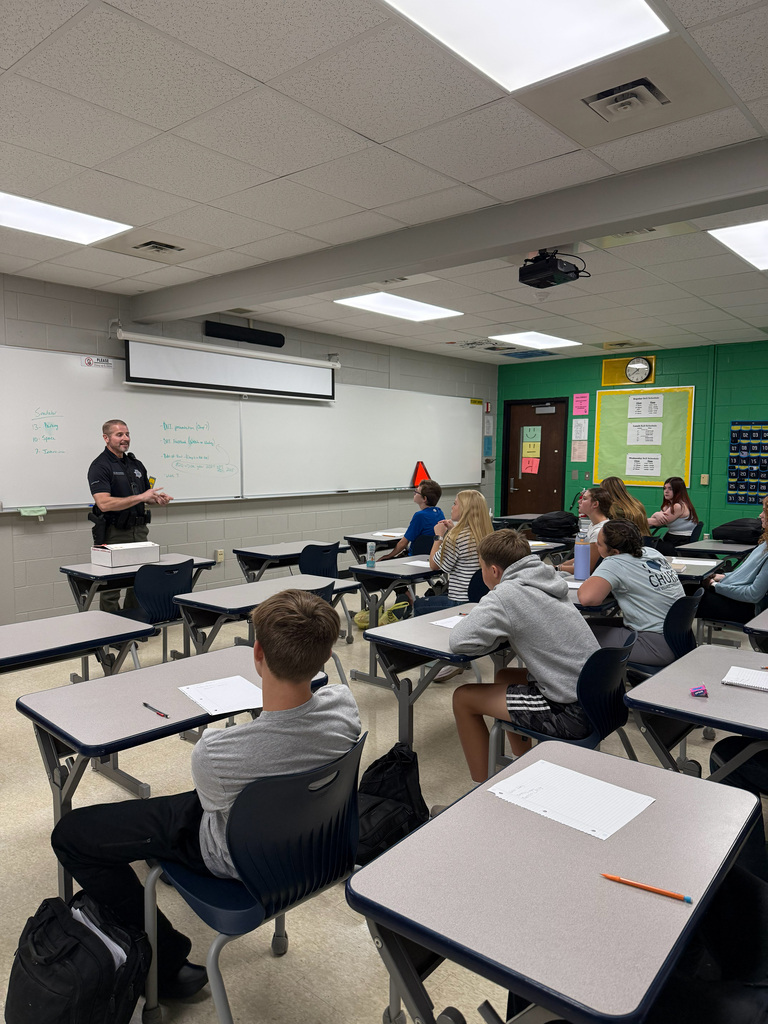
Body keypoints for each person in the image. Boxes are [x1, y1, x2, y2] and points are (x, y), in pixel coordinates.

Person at [51, 590, 361, 1001]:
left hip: (236, 858)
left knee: (72, 833)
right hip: (315, 847)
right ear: (324, 658)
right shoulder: (344, 705)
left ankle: (163, 964)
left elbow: (214, 811)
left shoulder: (215, 754)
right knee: (170, 809)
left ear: (258, 654)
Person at [448, 529, 600, 781]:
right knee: (506, 675)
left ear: (494, 571)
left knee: (463, 698)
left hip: (571, 712)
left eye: (482, 568)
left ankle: (481, 792)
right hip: (598, 696)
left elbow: (458, 641)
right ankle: (524, 765)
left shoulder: (506, 594)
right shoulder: (548, 578)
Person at [88, 419, 172, 612]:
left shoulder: (135, 464)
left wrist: (156, 499)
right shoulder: (100, 466)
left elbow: (143, 496)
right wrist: (142, 496)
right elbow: (104, 503)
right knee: (111, 587)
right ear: (106, 438)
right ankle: (111, 632)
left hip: (139, 531)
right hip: (114, 532)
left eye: (127, 434)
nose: (125, 439)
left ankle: (134, 625)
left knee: (140, 581)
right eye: (119, 435)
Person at [578, 519, 685, 666]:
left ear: (615, 551)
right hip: (679, 638)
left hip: (653, 645)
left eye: (600, 544)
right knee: (587, 623)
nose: (596, 545)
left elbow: (588, 599)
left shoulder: (615, 562)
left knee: (576, 634)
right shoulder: (653, 553)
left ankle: (595, 685)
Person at [416, 489, 494, 613]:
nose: (452, 507)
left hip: (459, 601)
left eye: (455, 504)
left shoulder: (457, 537)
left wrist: (439, 536)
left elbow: (434, 565)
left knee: (419, 604)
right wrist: (453, 531)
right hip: (481, 600)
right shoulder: (487, 535)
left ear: (465, 509)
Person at [697, 497, 768, 624]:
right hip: (740, 600)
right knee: (692, 587)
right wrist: (718, 577)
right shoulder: (765, 543)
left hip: (749, 609)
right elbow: (742, 576)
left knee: (690, 597)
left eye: (764, 511)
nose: (760, 515)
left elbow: (753, 594)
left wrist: (715, 585)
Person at [378, 478, 444, 560]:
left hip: (414, 558)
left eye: (417, 492)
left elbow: (403, 543)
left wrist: (388, 556)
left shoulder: (420, 516)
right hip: (431, 558)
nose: (414, 493)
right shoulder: (439, 512)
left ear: (424, 499)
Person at [557, 487, 611, 576]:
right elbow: (582, 556)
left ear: (595, 504)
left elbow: (588, 568)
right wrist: (560, 565)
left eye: (584, 499)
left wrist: (557, 568)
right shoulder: (593, 524)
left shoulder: (599, 531)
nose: (579, 501)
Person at [648, 476, 699, 555]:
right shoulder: (670, 505)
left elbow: (657, 522)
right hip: (676, 539)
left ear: (678, 491)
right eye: (665, 488)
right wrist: (657, 515)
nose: (666, 491)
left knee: (648, 545)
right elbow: (654, 520)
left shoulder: (678, 506)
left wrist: (638, 520)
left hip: (680, 542)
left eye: (670, 489)